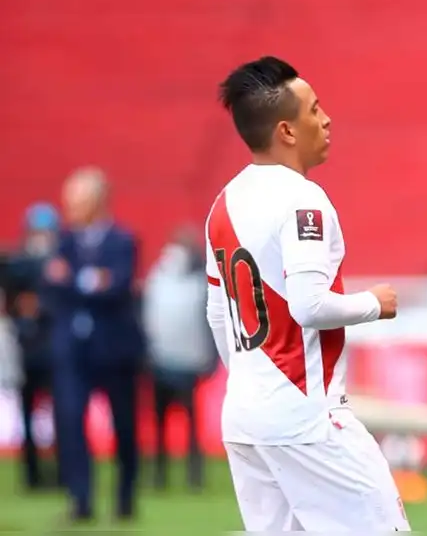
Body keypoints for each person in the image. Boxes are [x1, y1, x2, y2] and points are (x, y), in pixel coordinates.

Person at [208, 56, 407, 532]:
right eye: (315, 109)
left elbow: (219, 314)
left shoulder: (223, 202)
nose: (326, 118)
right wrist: (374, 304)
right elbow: (309, 305)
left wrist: (254, 381)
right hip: (306, 419)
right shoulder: (303, 199)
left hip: (244, 417)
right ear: (287, 131)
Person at [43, 168, 143, 522]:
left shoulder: (122, 240)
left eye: (77, 201)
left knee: (124, 426)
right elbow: (52, 286)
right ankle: (80, 500)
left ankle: (125, 498)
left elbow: (116, 286)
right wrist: (89, 281)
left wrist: (74, 279)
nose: (69, 208)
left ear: (98, 201)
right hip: (72, 350)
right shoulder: (62, 243)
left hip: (115, 350)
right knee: (70, 423)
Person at [143, 228, 217, 491]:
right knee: (186, 423)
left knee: (166, 423)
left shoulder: (156, 280)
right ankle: (189, 476)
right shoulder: (197, 282)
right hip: (183, 361)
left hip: (164, 359)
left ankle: (164, 476)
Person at [7, 203, 61, 490]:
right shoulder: (19, 264)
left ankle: (61, 470)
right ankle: (32, 474)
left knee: (60, 414)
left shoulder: (59, 263)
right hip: (27, 351)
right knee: (27, 415)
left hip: (53, 349)